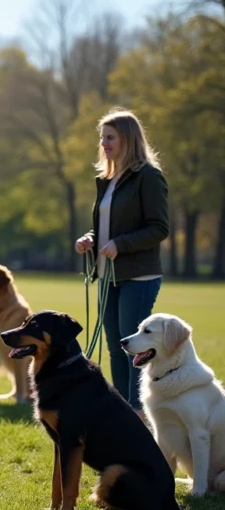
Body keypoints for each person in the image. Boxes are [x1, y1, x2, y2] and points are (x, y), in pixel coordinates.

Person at [75, 108, 169, 417]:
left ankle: (139, 410)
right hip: (108, 275)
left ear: (128, 139)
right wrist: (92, 238)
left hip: (138, 276)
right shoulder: (108, 179)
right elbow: (110, 226)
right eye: (102, 137)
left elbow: (159, 228)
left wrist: (120, 244)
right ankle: (123, 409)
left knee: (133, 346)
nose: (104, 143)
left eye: (110, 137)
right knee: (116, 346)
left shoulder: (149, 176)